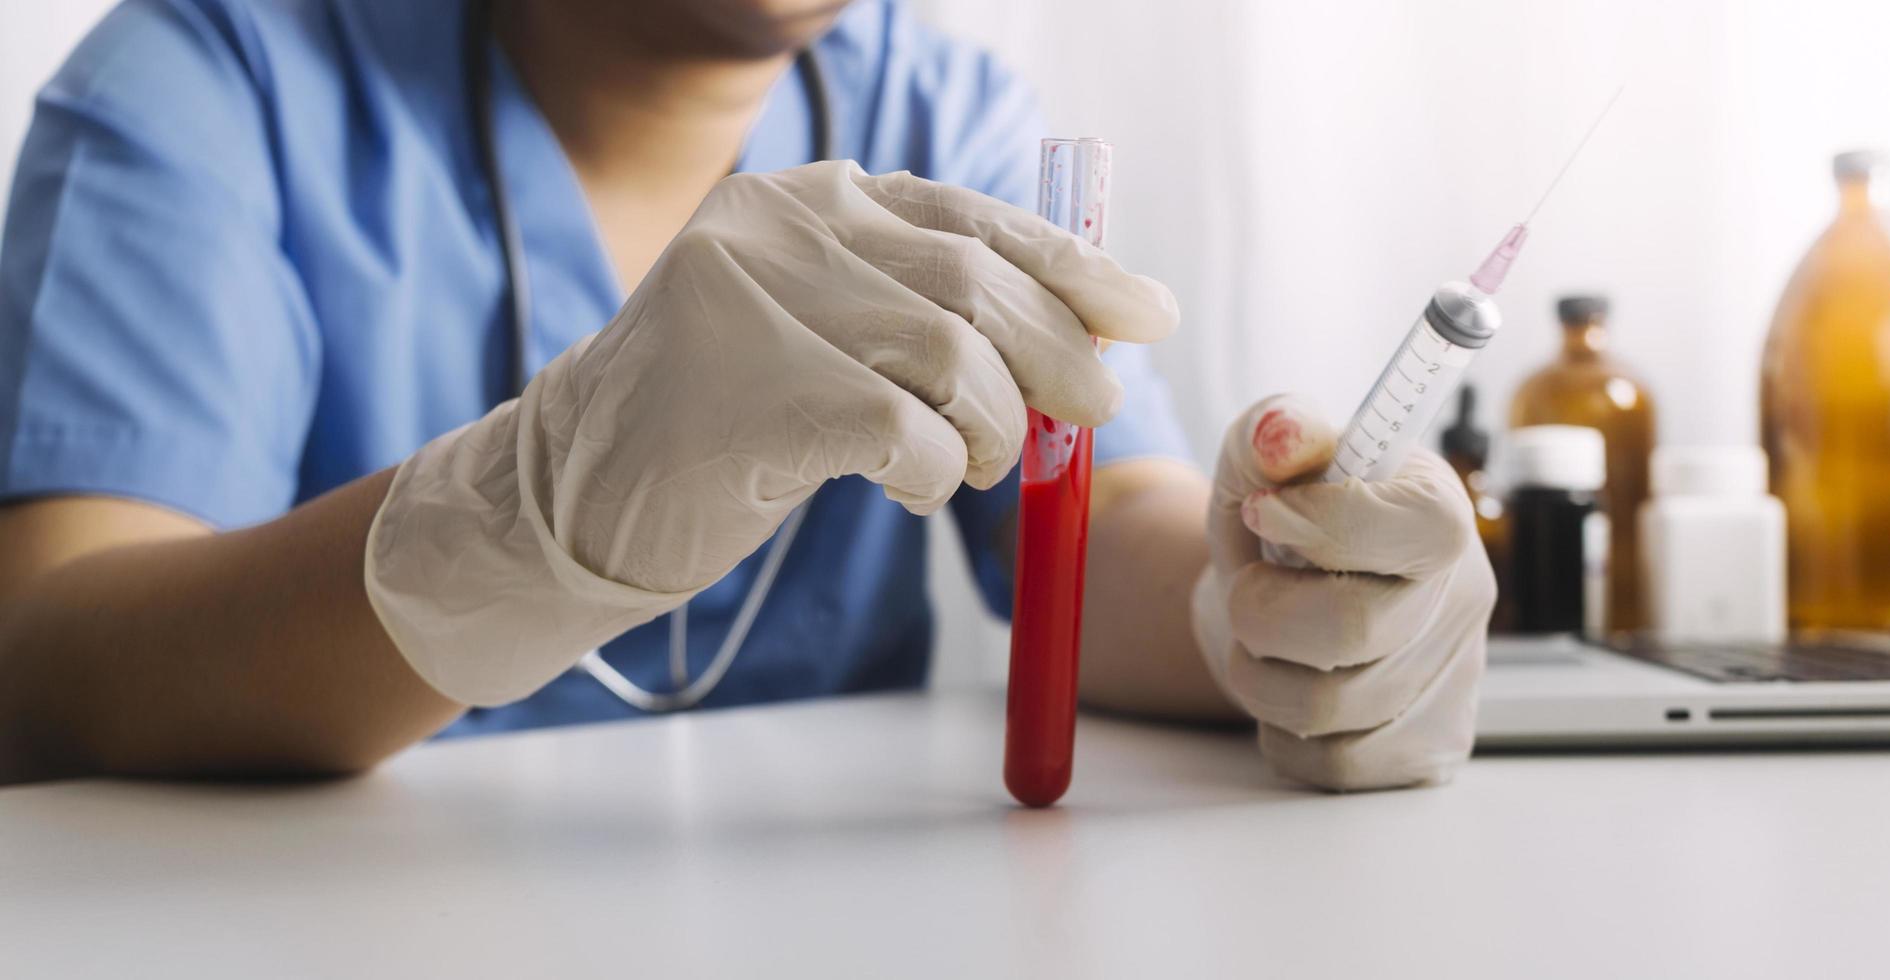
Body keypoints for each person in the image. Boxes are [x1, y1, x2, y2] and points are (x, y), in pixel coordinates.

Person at [0, 0, 1493, 790]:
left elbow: (1095, 517)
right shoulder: (212, 78)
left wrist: (1276, 599)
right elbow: (59, 657)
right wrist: (519, 519)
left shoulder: (940, 103)